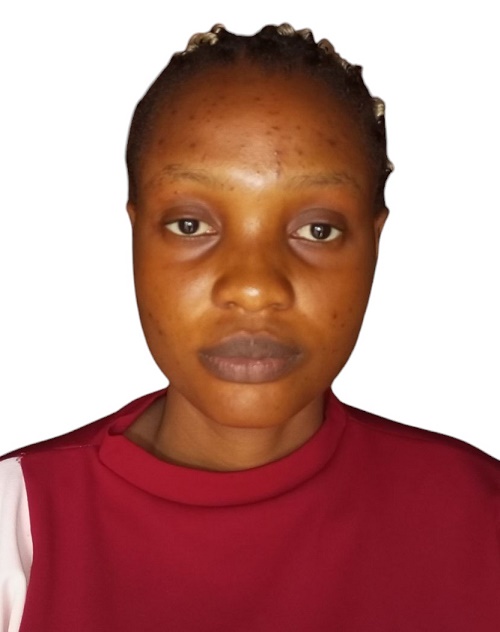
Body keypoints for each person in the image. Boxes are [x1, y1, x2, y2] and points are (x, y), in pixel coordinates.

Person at [1, 23, 499, 631]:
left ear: (374, 243)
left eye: (317, 229)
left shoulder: (481, 521)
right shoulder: (17, 526)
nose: (256, 286)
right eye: (190, 225)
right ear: (136, 233)